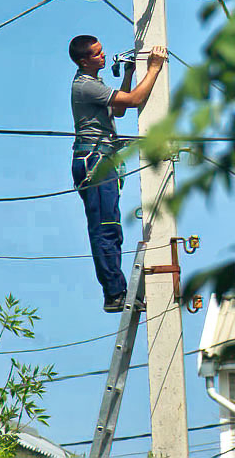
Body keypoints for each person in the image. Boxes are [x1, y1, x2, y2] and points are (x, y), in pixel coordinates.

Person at [68, 35, 167, 313]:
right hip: (94, 161)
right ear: (83, 60)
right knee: (104, 228)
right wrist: (154, 69)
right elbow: (135, 100)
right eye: (97, 54)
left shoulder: (95, 84)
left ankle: (118, 289)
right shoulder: (85, 86)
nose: (103, 56)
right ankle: (114, 294)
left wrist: (129, 73)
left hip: (102, 158)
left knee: (111, 227)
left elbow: (120, 109)